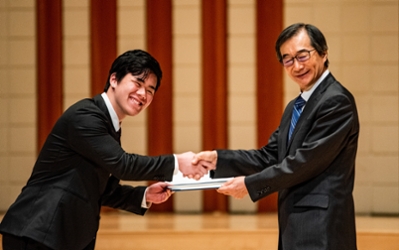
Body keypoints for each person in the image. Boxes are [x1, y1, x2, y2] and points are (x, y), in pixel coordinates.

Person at [0, 49, 207, 250]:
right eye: (138, 82)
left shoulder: (108, 124)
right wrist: (177, 162)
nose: (143, 93)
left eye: (151, 90)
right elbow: (123, 165)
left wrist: (144, 195)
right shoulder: (86, 116)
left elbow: (102, 189)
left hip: (59, 236)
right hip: (38, 231)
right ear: (114, 79)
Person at [194, 23, 359, 250]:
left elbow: (304, 163)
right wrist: (218, 159)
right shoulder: (296, 106)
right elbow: (269, 156)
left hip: (322, 230)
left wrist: (250, 185)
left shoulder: (336, 101)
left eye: (302, 55)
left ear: (323, 53)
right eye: (287, 59)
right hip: (295, 228)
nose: (296, 65)